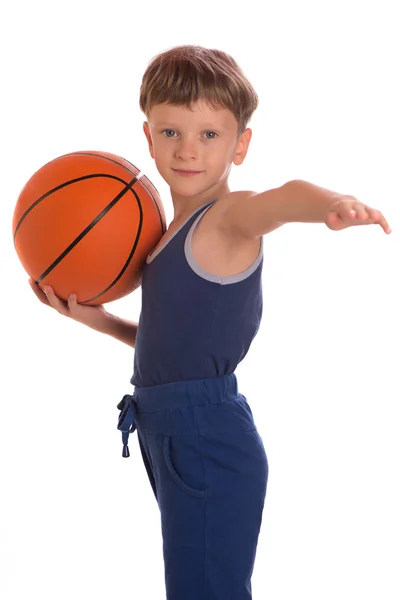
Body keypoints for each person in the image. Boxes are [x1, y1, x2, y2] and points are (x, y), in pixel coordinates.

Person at [29, 45, 391, 600]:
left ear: (241, 145)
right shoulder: (166, 238)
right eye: (171, 133)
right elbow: (173, 346)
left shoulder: (227, 219)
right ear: (148, 136)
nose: (188, 150)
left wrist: (331, 203)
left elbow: (281, 198)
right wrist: (99, 321)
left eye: (210, 135)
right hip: (173, 428)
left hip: (205, 435)